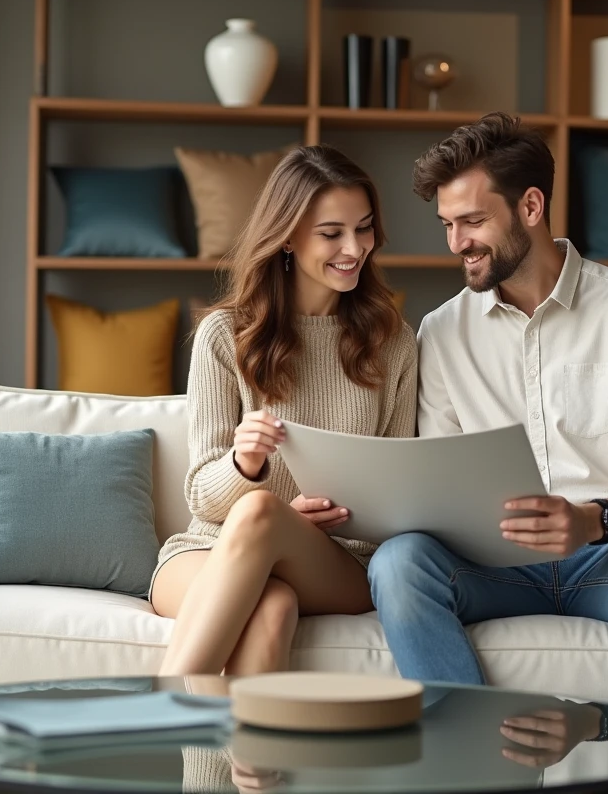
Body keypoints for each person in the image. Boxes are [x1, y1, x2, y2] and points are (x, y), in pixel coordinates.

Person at [367, 113, 608, 793]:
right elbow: (436, 470)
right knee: (399, 563)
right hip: (492, 566)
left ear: (530, 206)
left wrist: (593, 521)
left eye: (470, 221)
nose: (455, 242)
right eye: (446, 224)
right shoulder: (440, 332)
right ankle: (480, 776)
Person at [151, 145, 418, 679]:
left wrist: (293, 528)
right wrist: (244, 465)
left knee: (261, 515)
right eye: (331, 233)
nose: (354, 248)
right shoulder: (224, 336)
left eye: (363, 229)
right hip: (208, 548)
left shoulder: (393, 344)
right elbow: (201, 495)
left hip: (339, 561)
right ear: (289, 236)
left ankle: (158, 709)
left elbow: (400, 497)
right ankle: (251, 765)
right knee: (271, 609)